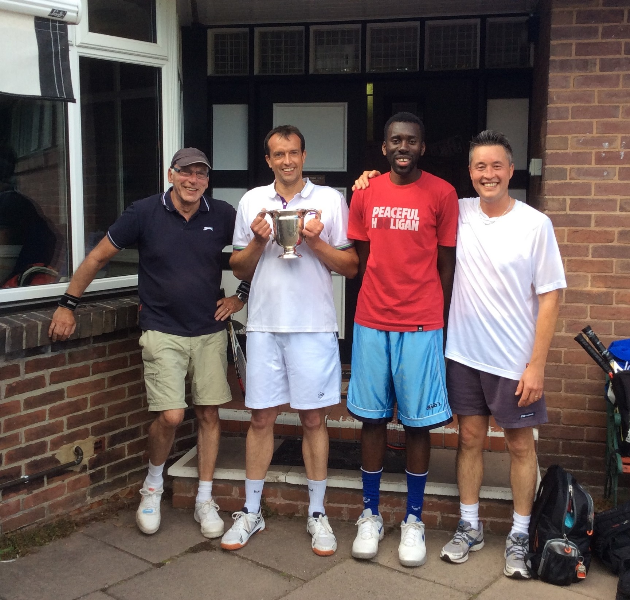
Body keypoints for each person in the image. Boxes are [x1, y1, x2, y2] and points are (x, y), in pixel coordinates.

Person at [49, 148, 249, 539]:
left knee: (208, 413)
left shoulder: (223, 214)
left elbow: (257, 254)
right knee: (172, 415)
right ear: (171, 174)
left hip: (208, 330)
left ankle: (204, 499)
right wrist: (67, 304)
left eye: (201, 175)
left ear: (207, 180)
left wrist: (240, 294)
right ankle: (152, 486)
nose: (193, 181)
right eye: (186, 173)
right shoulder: (143, 212)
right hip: (161, 329)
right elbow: (98, 257)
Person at [221, 125, 358, 556]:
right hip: (263, 326)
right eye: (278, 154)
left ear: (303, 155)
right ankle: (252, 509)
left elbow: (351, 266)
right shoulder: (251, 201)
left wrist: (314, 241)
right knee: (260, 418)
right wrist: (260, 242)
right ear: (268, 159)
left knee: (314, 420)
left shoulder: (330, 200)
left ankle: (318, 514)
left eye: (293, 153)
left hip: (314, 327)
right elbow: (240, 269)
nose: (287, 161)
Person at [439, 130, 565, 579]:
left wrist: (537, 364)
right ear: (470, 172)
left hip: (514, 360)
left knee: (517, 445)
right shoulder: (458, 212)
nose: (488, 174)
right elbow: (413, 201)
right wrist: (367, 180)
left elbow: (550, 296)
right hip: (464, 354)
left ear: (511, 171)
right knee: (469, 439)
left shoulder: (535, 225)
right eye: (479, 167)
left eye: (496, 166)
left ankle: (519, 533)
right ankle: (469, 525)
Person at [347, 112, 458, 567]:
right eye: (395, 140)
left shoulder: (443, 193)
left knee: (416, 424)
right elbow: (363, 257)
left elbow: (446, 263)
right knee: (372, 421)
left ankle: (414, 520)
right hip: (372, 319)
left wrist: (436, 315)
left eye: (411, 140)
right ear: (384, 147)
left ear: (423, 147)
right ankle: (369, 514)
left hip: (422, 324)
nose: (403, 147)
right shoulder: (365, 193)